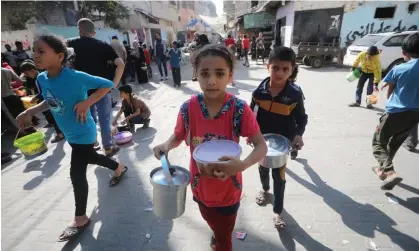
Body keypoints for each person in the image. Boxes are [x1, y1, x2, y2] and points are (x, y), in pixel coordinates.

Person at [152, 44, 267, 251]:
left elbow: (261, 145)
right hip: (199, 185)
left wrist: (242, 165)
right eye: (205, 73)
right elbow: (178, 135)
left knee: (224, 239)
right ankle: (217, 234)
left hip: (228, 191)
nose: (212, 81)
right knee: (212, 222)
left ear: (230, 75)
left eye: (220, 73)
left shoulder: (239, 109)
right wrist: (166, 145)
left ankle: (221, 241)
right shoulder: (188, 107)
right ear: (196, 74)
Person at [16, 35, 129, 242]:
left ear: (59, 56)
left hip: (84, 132)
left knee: (77, 173)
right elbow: (50, 102)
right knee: (92, 158)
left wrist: (87, 102)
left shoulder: (75, 76)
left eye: (41, 51)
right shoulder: (41, 79)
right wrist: (29, 111)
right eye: (34, 50)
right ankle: (119, 168)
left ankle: (80, 218)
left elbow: (107, 85)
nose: (35, 55)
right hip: (69, 133)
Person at [251, 46, 307, 229]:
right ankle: (265, 190)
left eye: (285, 69)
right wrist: (251, 133)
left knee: (279, 177)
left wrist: (298, 134)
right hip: (261, 140)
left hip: (283, 143)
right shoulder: (258, 93)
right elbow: (251, 115)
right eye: (275, 68)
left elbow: (302, 118)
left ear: (292, 70)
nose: (280, 73)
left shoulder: (295, 95)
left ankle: (278, 212)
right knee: (262, 169)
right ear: (268, 67)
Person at [67, 18, 124, 156]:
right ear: (93, 32)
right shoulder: (103, 45)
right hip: (102, 90)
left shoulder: (70, 45)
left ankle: (91, 145)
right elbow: (120, 64)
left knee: (87, 119)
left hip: (81, 91)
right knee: (105, 119)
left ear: (79, 29)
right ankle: (108, 147)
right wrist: (113, 84)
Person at [372, 33, 419, 190]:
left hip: (396, 112)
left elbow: (389, 91)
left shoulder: (399, 68)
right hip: (415, 115)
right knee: (395, 143)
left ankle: (389, 172)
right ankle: (383, 170)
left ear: (403, 52)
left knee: (379, 142)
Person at [20, 60, 64, 143]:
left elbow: (44, 92)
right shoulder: (42, 76)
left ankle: (60, 134)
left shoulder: (40, 78)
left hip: (49, 101)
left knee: (54, 118)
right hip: (50, 101)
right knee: (55, 117)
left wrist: (35, 97)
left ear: (32, 70)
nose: (27, 76)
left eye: (27, 74)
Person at [1, 67, 36, 136]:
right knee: (21, 112)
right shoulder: (7, 70)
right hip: (13, 95)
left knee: (11, 116)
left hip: (3, 98)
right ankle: (30, 127)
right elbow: (19, 81)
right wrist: (9, 84)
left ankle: (22, 131)